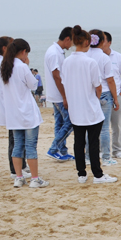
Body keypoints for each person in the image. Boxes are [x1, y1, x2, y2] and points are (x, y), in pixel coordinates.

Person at [61, 26, 118, 184]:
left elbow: (65, 83)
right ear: (87, 42)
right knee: (93, 143)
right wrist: (95, 99)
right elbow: (98, 87)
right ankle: (97, 175)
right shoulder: (90, 62)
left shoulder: (66, 62)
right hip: (91, 108)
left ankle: (81, 174)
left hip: (75, 108)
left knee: (78, 142)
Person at [0, 39, 48, 188]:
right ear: (23, 52)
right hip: (27, 113)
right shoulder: (22, 67)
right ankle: (35, 179)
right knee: (31, 146)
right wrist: (26, 65)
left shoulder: (5, 66)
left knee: (17, 146)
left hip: (13, 114)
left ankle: (19, 177)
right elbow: (33, 85)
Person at [0, 36, 29, 179]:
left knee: (16, 138)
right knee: (15, 139)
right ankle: (15, 170)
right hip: (9, 106)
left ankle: (20, 166)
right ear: (5, 48)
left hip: (6, 105)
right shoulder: (4, 64)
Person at [86, 29, 119, 166]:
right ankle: (106, 157)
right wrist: (115, 98)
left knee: (89, 127)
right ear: (102, 41)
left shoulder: (85, 55)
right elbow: (110, 80)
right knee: (104, 128)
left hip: (89, 93)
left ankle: (88, 156)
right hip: (104, 92)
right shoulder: (104, 57)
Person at [44, 27, 75, 161]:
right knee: (70, 122)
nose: (72, 45)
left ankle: (62, 151)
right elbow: (57, 76)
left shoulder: (56, 51)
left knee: (60, 123)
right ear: (67, 39)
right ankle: (53, 148)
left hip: (55, 94)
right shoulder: (54, 53)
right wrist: (64, 96)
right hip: (58, 94)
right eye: (72, 41)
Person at [104, 32, 121, 158]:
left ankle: (117, 149)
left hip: (117, 94)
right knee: (102, 125)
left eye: (103, 41)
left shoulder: (118, 57)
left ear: (109, 43)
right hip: (103, 94)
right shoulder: (97, 57)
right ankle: (102, 150)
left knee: (116, 124)